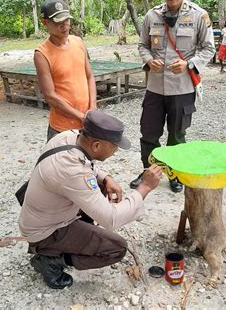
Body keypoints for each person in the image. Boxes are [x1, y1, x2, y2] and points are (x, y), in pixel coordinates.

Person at [19, 110, 163, 289]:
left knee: (100, 186)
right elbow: (111, 218)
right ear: (96, 145)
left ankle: (68, 242)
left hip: (41, 215)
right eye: (114, 146)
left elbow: (85, 164)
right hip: (46, 231)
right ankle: (50, 260)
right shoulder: (73, 172)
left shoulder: (68, 137)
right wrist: (145, 187)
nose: (116, 151)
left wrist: (105, 178)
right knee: (116, 248)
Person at [131, 0, 215, 193]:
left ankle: (175, 173)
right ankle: (148, 171)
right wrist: (149, 60)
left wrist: (188, 64)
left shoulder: (199, 16)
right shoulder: (152, 15)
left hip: (182, 88)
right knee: (149, 132)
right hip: (155, 87)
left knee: (177, 134)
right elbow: (143, 45)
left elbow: (209, 49)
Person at [34, 0, 97, 142]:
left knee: (86, 163)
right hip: (62, 128)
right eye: (58, 22)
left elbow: (89, 76)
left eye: (66, 20)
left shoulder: (78, 42)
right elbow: (50, 96)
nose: (64, 26)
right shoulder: (42, 54)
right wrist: (81, 116)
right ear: (45, 23)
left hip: (87, 123)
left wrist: (92, 107)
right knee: (61, 163)